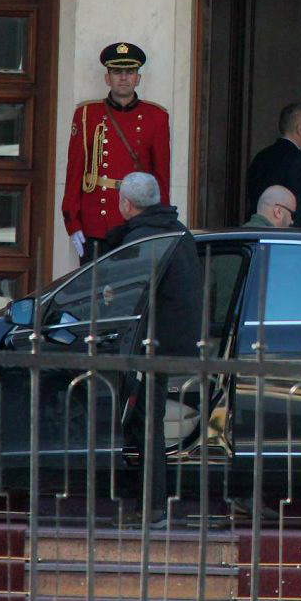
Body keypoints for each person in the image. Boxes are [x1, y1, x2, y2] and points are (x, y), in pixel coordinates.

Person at [107, 172, 201, 528]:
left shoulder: (143, 241)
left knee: (147, 427)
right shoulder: (178, 232)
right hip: (173, 347)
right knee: (149, 423)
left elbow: (123, 298)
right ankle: (150, 505)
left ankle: (153, 509)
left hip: (147, 349)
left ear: (126, 205)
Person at [61, 42, 170, 264]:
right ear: (107, 78)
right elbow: (74, 172)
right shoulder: (87, 114)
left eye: (130, 72)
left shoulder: (156, 116)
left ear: (138, 78)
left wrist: (160, 221)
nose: (123, 78)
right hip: (96, 221)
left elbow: (161, 176)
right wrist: (72, 222)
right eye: (117, 72)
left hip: (137, 221)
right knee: (93, 291)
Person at [246, 104, 301, 227]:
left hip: (257, 232)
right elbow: (300, 209)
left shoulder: (261, 156)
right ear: (300, 129)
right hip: (286, 236)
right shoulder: (299, 159)